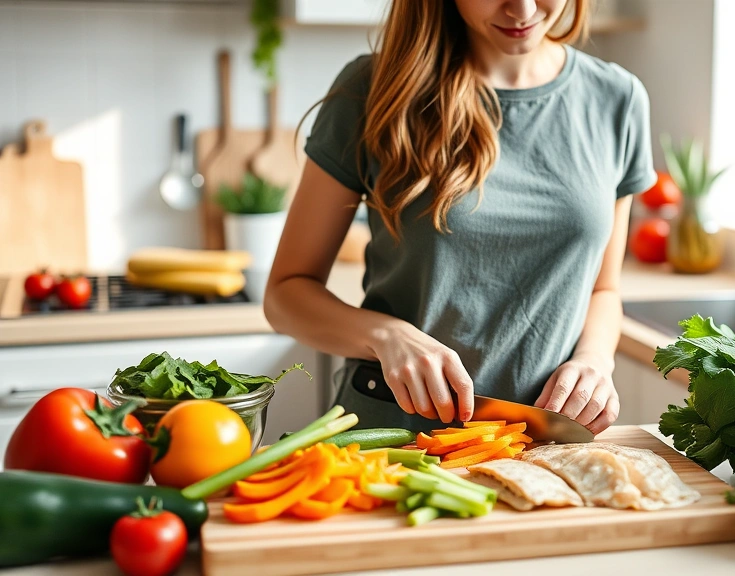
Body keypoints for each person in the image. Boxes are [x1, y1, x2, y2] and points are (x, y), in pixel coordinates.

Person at [264, 0, 656, 435]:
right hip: (392, 440)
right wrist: (386, 335)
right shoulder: (372, 89)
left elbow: (604, 288)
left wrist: (595, 359)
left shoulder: (618, 99)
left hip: (546, 443)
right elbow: (286, 295)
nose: (522, 8)